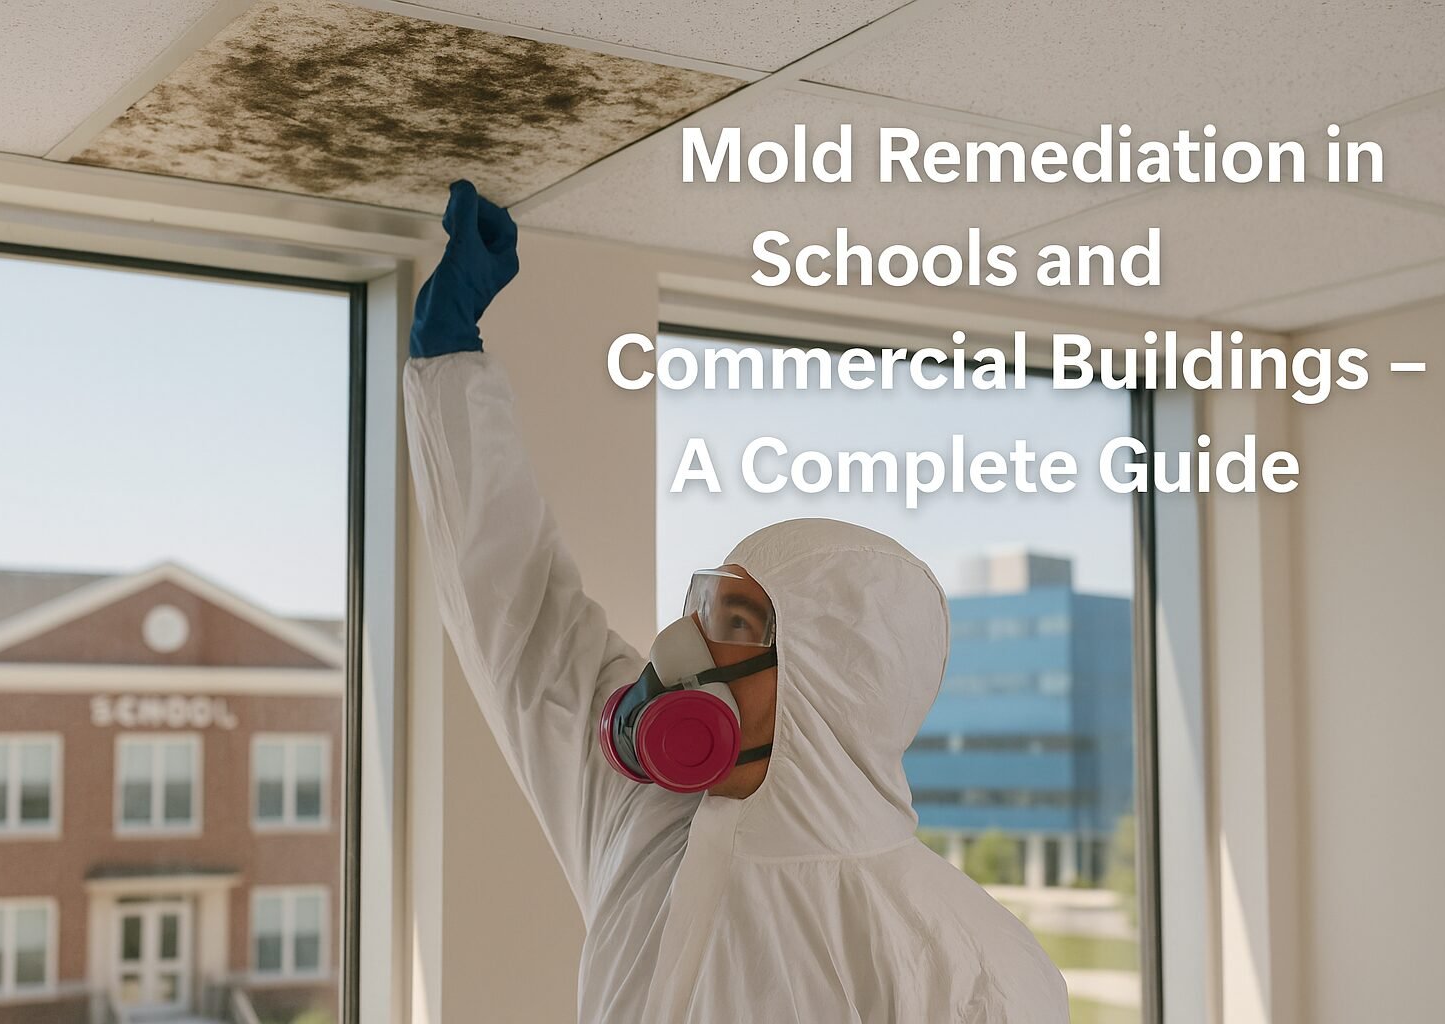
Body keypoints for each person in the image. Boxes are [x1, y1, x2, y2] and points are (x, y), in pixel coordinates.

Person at [403, 180, 1070, 1023]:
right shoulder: (644, 816)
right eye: (704, 610)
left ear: (828, 688)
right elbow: (522, 614)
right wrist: (448, 361)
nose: (682, 650)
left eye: (736, 627)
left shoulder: (969, 964)